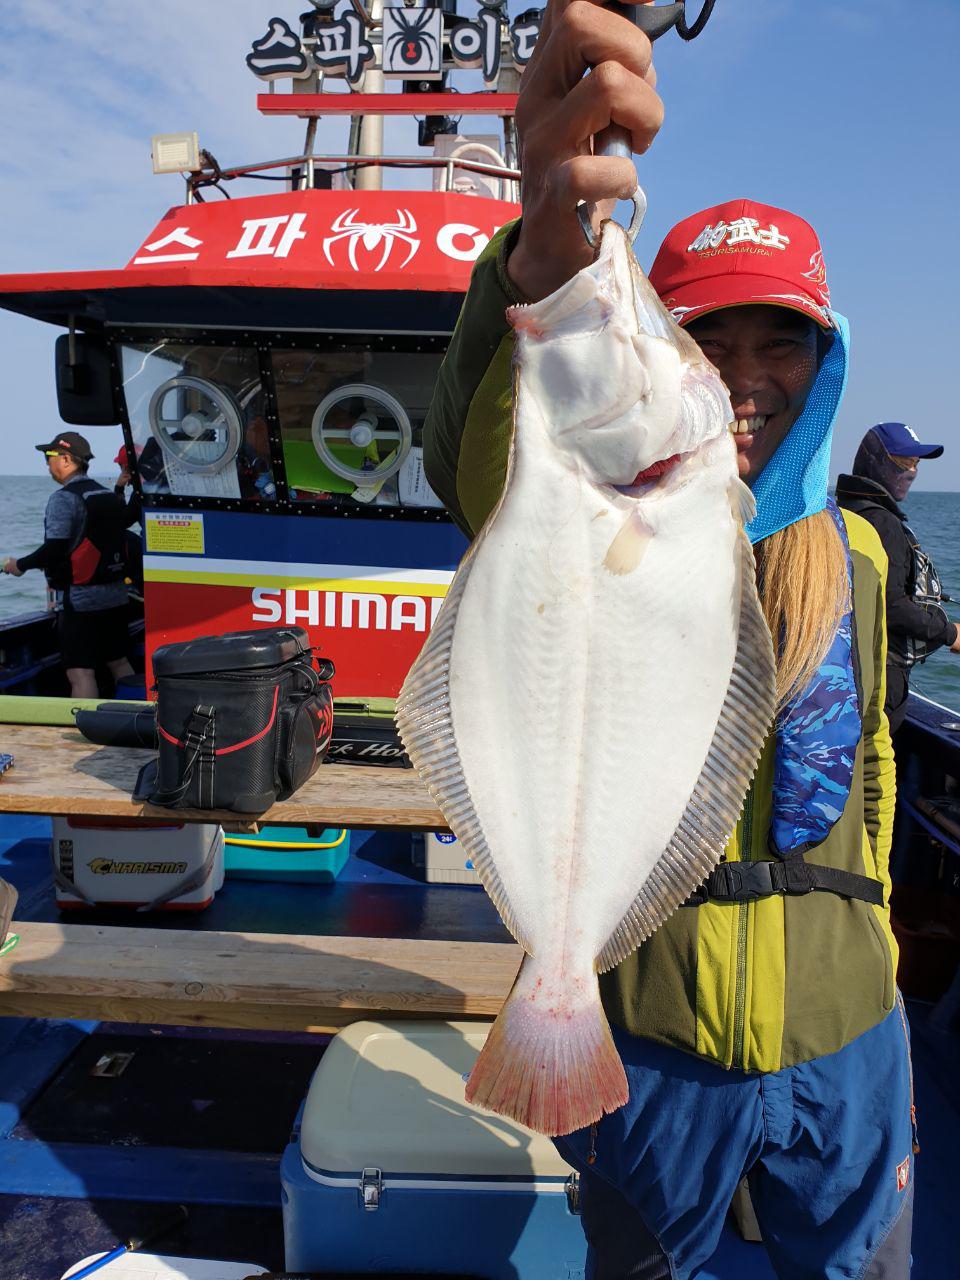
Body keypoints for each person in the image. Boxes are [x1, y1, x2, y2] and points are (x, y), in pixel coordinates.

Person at [422, 3, 912, 1276]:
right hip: (652, 1039)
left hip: (847, 1032)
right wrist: (536, 252)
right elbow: (470, 456)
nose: (746, 371)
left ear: (827, 359)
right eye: (706, 336)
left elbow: (870, 770)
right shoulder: (568, 495)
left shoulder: (857, 553)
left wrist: (886, 954)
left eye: (781, 339)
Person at [836, 423, 959, 732]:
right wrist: (950, 633)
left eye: (916, 464)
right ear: (874, 459)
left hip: (844, 668)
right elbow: (891, 607)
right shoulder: (882, 523)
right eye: (904, 462)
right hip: (880, 676)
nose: (912, 471)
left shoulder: (843, 512)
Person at [2, 431, 137, 698]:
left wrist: (20, 565)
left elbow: (55, 548)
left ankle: (82, 734)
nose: (47, 463)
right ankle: (135, 716)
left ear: (65, 459)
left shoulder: (64, 498)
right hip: (116, 597)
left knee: (80, 673)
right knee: (119, 662)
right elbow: (124, 523)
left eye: (49, 456)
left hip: (80, 602)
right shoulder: (104, 494)